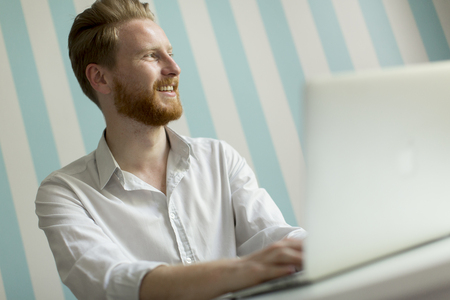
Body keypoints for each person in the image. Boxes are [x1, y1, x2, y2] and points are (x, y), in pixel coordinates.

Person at [35, 0, 307, 299]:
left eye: (171, 53)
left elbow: (273, 237)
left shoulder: (219, 158)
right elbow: (111, 283)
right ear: (100, 78)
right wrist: (240, 271)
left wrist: (322, 246)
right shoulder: (65, 193)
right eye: (151, 56)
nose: (174, 68)